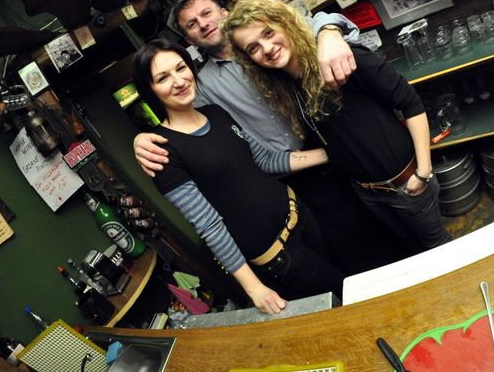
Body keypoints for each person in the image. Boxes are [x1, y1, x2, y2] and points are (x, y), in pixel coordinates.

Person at [134, 0, 409, 273]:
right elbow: (187, 123)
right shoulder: (202, 86)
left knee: (394, 227)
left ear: (225, 12)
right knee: (354, 255)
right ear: (189, 40)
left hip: (340, 146)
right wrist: (142, 138)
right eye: (192, 24)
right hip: (294, 178)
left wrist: (328, 33)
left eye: (207, 13)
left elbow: (315, 21)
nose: (203, 24)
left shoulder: (267, 42)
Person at [222, 0, 452, 252]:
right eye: (253, 48)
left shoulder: (340, 58)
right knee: (411, 249)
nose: (266, 48)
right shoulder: (289, 86)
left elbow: (410, 102)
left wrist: (422, 172)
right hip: (368, 192)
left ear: (285, 23)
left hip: (406, 184)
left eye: (268, 32)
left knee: (439, 248)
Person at [133, 39, 345, 314]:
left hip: (301, 215)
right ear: (150, 89)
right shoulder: (161, 150)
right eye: (163, 78)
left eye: (181, 68)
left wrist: (332, 153)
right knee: (341, 298)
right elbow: (208, 225)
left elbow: (264, 160)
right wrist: (254, 288)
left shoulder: (216, 113)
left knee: (348, 277)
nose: (178, 81)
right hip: (278, 254)